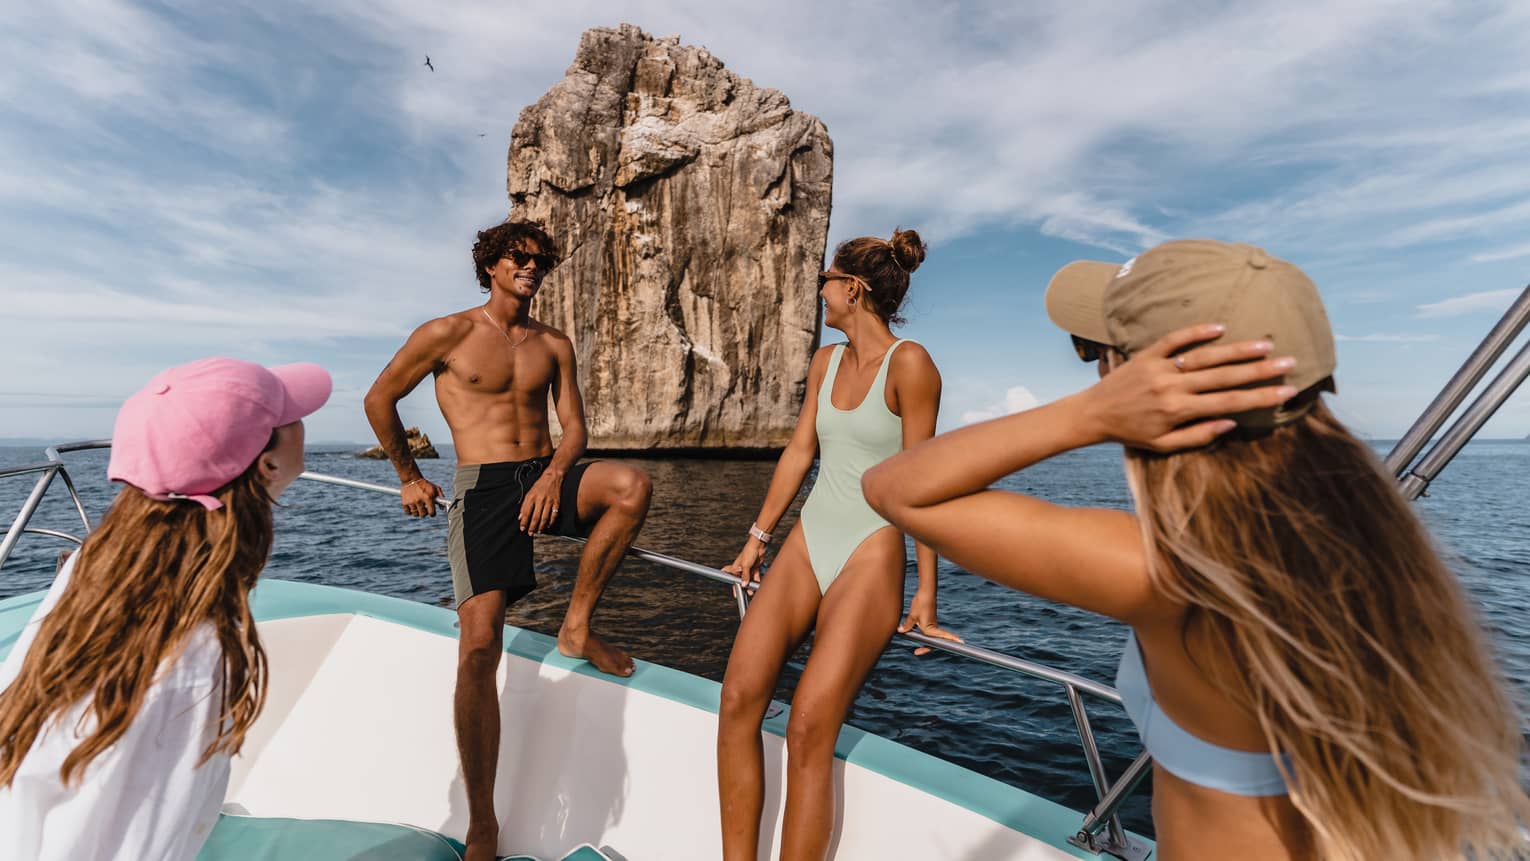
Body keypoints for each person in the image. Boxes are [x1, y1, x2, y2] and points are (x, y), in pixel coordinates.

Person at [862, 239, 1530, 860]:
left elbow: (896, 488)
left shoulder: (1171, 573)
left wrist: (1090, 412)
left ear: (1147, 384)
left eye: (1101, 353)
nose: (1097, 365)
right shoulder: (1372, 542)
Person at [364, 218, 653, 861]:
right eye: (518, 258)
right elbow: (380, 398)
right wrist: (409, 475)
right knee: (478, 647)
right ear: (490, 265)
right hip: (485, 490)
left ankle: (575, 627)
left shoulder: (553, 343)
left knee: (630, 485)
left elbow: (574, 427)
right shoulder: (447, 333)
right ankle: (482, 823)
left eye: (539, 260)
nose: (531, 267)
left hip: (542, 476)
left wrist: (554, 477)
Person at [0, 357, 332, 860]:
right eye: (288, 417)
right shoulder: (194, 643)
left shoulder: (99, 561)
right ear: (267, 464)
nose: (301, 423)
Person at [715, 229, 960, 860]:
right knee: (739, 698)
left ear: (853, 288)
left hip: (871, 549)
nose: (819, 290)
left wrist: (926, 592)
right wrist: (756, 539)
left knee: (807, 727)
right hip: (809, 537)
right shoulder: (825, 362)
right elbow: (802, 451)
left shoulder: (912, 364)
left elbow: (921, 482)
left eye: (827, 278)